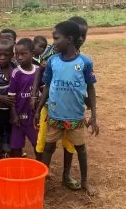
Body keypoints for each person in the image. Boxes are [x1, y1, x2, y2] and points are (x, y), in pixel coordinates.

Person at [34, 21, 99, 195]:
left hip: (76, 117)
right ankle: (41, 180)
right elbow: (47, 86)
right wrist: (39, 108)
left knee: (80, 149)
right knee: (48, 147)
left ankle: (84, 182)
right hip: (54, 116)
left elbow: (91, 88)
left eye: (56, 38)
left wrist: (94, 114)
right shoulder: (52, 61)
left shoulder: (85, 62)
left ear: (69, 39)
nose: (53, 42)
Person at [8, 38, 39, 158]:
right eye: (16, 54)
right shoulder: (16, 73)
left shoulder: (38, 71)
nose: (19, 57)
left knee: (38, 145)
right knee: (16, 147)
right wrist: (14, 114)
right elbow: (11, 97)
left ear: (32, 53)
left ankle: (41, 169)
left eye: (23, 54)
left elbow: (43, 90)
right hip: (19, 118)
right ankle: (17, 170)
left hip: (33, 118)